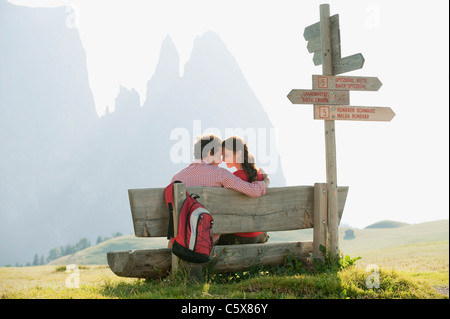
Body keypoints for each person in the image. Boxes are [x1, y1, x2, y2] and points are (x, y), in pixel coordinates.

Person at [169, 134, 270, 247]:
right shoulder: (220, 174)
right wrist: (266, 182)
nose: (221, 161)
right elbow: (254, 191)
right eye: (219, 155)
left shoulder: (177, 177)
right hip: (209, 238)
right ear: (210, 153)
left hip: (182, 237)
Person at [217, 136, 269, 245]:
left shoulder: (234, 178)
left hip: (242, 235)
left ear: (239, 153)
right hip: (260, 233)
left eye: (226, 155)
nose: (223, 160)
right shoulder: (260, 174)